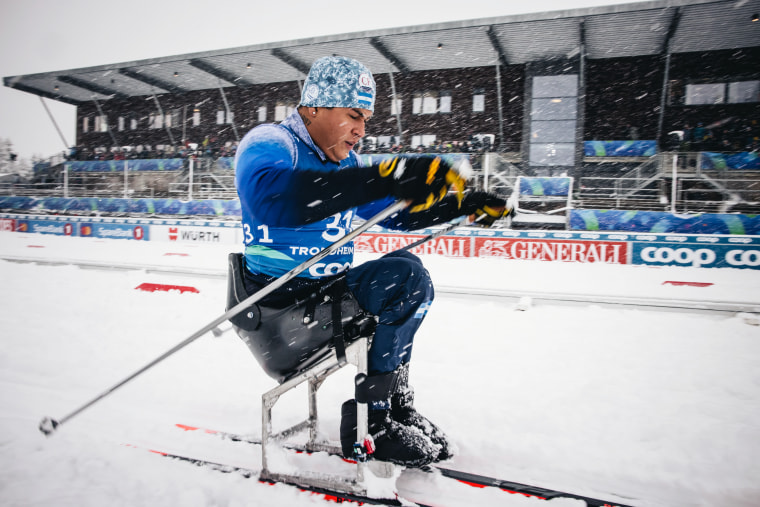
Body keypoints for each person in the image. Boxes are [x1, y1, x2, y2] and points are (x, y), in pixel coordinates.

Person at [234, 56, 510, 467]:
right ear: (314, 107)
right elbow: (275, 201)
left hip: (321, 300)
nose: (361, 131)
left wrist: (464, 205)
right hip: (278, 313)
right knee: (402, 277)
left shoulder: (346, 164)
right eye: (353, 115)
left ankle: (393, 408)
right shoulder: (272, 144)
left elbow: (396, 213)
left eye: (366, 119)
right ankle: (371, 424)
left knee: (409, 275)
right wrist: (387, 175)